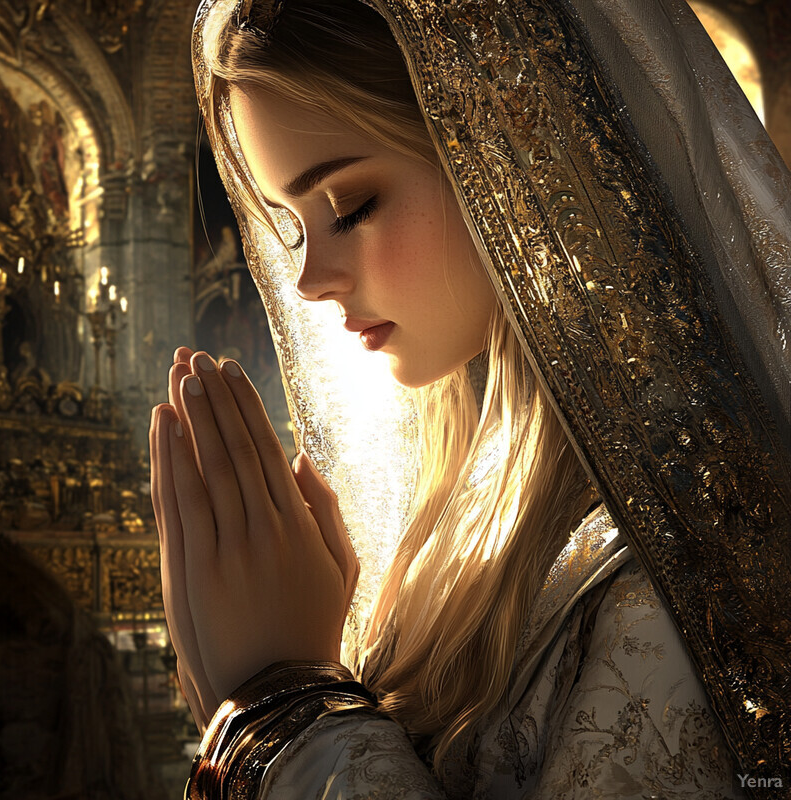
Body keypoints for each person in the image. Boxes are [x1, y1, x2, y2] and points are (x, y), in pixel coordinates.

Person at [149, 0, 791, 797]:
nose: (310, 280)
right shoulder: (442, 516)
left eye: (351, 207)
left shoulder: (685, 556)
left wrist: (289, 707)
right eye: (292, 225)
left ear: (514, 158)